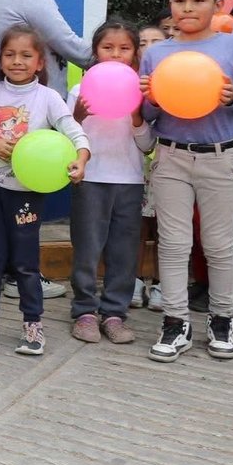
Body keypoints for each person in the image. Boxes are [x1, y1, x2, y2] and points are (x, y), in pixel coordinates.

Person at [0, 25, 89, 356]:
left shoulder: (48, 98)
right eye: (9, 54)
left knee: (25, 261)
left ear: (39, 62)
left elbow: (73, 131)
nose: (17, 61)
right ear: (0, 59)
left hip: (27, 192)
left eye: (25, 55)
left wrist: (81, 159)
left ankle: (32, 325)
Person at [140, 0, 233, 363]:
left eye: (198, 1)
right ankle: (175, 322)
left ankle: (223, 318)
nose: (188, 8)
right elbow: (146, 112)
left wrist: (232, 99)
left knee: (220, 245)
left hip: (222, 155)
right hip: (171, 156)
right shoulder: (156, 52)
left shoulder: (231, 48)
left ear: (216, 6)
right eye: (180, 1)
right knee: (175, 244)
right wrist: (153, 100)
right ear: (170, 6)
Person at [68, 20, 154, 345]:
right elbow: (65, 137)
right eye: (107, 48)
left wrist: (136, 116)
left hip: (129, 182)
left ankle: (115, 313)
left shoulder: (141, 93)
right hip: (90, 180)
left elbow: (147, 145)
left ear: (134, 54)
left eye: (124, 48)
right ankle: (85, 312)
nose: (115, 54)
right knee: (88, 248)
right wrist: (76, 115)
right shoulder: (80, 90)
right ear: (95, 52)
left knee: (123, 251)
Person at [135, 23, 168, 312]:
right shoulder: (128, 80)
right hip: (137, 166)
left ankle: (159, 283)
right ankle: (134, 281)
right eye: (142, 42)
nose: (148, 47)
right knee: (137, 224)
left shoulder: (181, 75)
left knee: (164, 228)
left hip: (168, 162)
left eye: (156, 41)